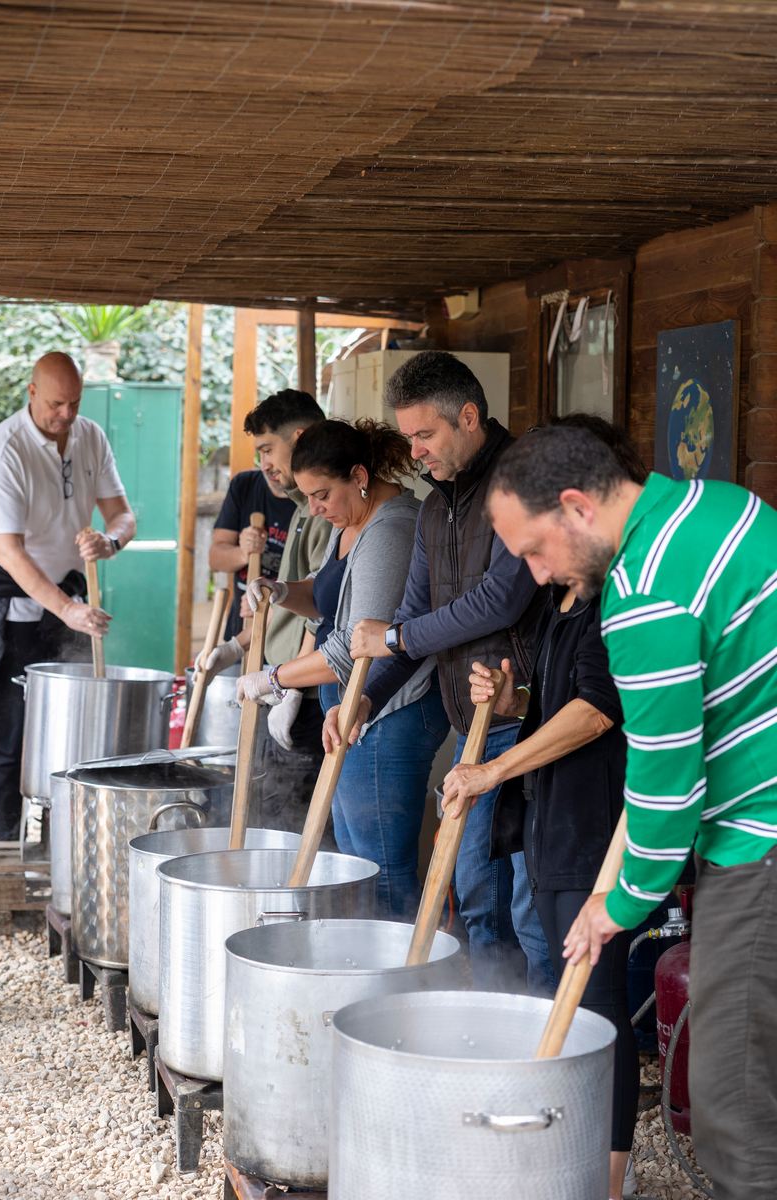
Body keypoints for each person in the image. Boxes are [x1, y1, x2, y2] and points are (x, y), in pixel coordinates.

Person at [486, 422, 777, 1200]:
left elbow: (664, 782)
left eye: (535, 549)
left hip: (762, 839)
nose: (539, 575)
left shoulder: (643, 593)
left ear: (577, 506)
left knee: (733, 1105)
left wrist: (616, 905)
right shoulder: (720, 506)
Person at [442, 416, 648, 1200]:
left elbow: (596, 712)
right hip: (555, 825)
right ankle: (560, 1152)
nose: (527, 566)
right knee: (562, 991)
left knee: (595, 1009)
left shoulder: (612, 603)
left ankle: (606, 1178)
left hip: (598, 829)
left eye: (532, 547)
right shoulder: (563, 601)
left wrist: (493, 770)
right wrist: (510, 700)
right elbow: (558, 705)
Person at [330, 350, 553, 993]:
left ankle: (538, 1038)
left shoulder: (521, 482)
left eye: (425, 435)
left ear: (470, 416)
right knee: (478, 891)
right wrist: (367, 700)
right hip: (471, 723)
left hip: (525, 718)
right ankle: (489, 1021)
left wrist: (396, 635)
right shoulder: (436, 507)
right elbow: (417, 616)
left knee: (525, 904)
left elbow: (500, 600)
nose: (416, 452)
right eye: (408, 438)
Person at [242, 418, 449, 918]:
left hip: (388, 710)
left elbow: (352, 649)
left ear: (359, 475)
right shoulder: (352, 521)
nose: (313, 508)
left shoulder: (392, 529)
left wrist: (272, 679)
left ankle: (401, 976)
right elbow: (324, 593)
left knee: (379, 865)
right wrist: (280, 591)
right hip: (354, 710)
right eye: (306, 495)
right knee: (356, 854)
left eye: (321, 494)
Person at [0, 352, 135, 840]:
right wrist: (67, 609)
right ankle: (7, 839)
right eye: (56, 403)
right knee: (10, 727)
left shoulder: (90, 436)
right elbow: (9, 551)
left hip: (69, 592)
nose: (67, 414)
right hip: (8, 595)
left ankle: (60, 838)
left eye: (74, 402)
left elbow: (122, 514)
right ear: (31, 392)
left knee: (69, 721)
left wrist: (111, 541)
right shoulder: (3, 450)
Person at [202, 389, 330, 834]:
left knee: (293, 828)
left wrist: (291, 684)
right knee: (270, 816)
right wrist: (237, 647)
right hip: (280, 681)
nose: (264, 464)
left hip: (306, 693)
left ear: (298, 437)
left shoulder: (323, 511)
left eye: (267, 449)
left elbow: (321, 611)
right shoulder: (303, 507)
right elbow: (291, 606)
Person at [209, 411, 297, 638]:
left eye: (269, 451)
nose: (264, 465)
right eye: (260, 453)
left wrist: (271, 603)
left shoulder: (316, 504)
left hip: (289, 643)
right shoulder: (244, 485)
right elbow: (215, 557)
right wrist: (243, 552)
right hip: (241, 631)